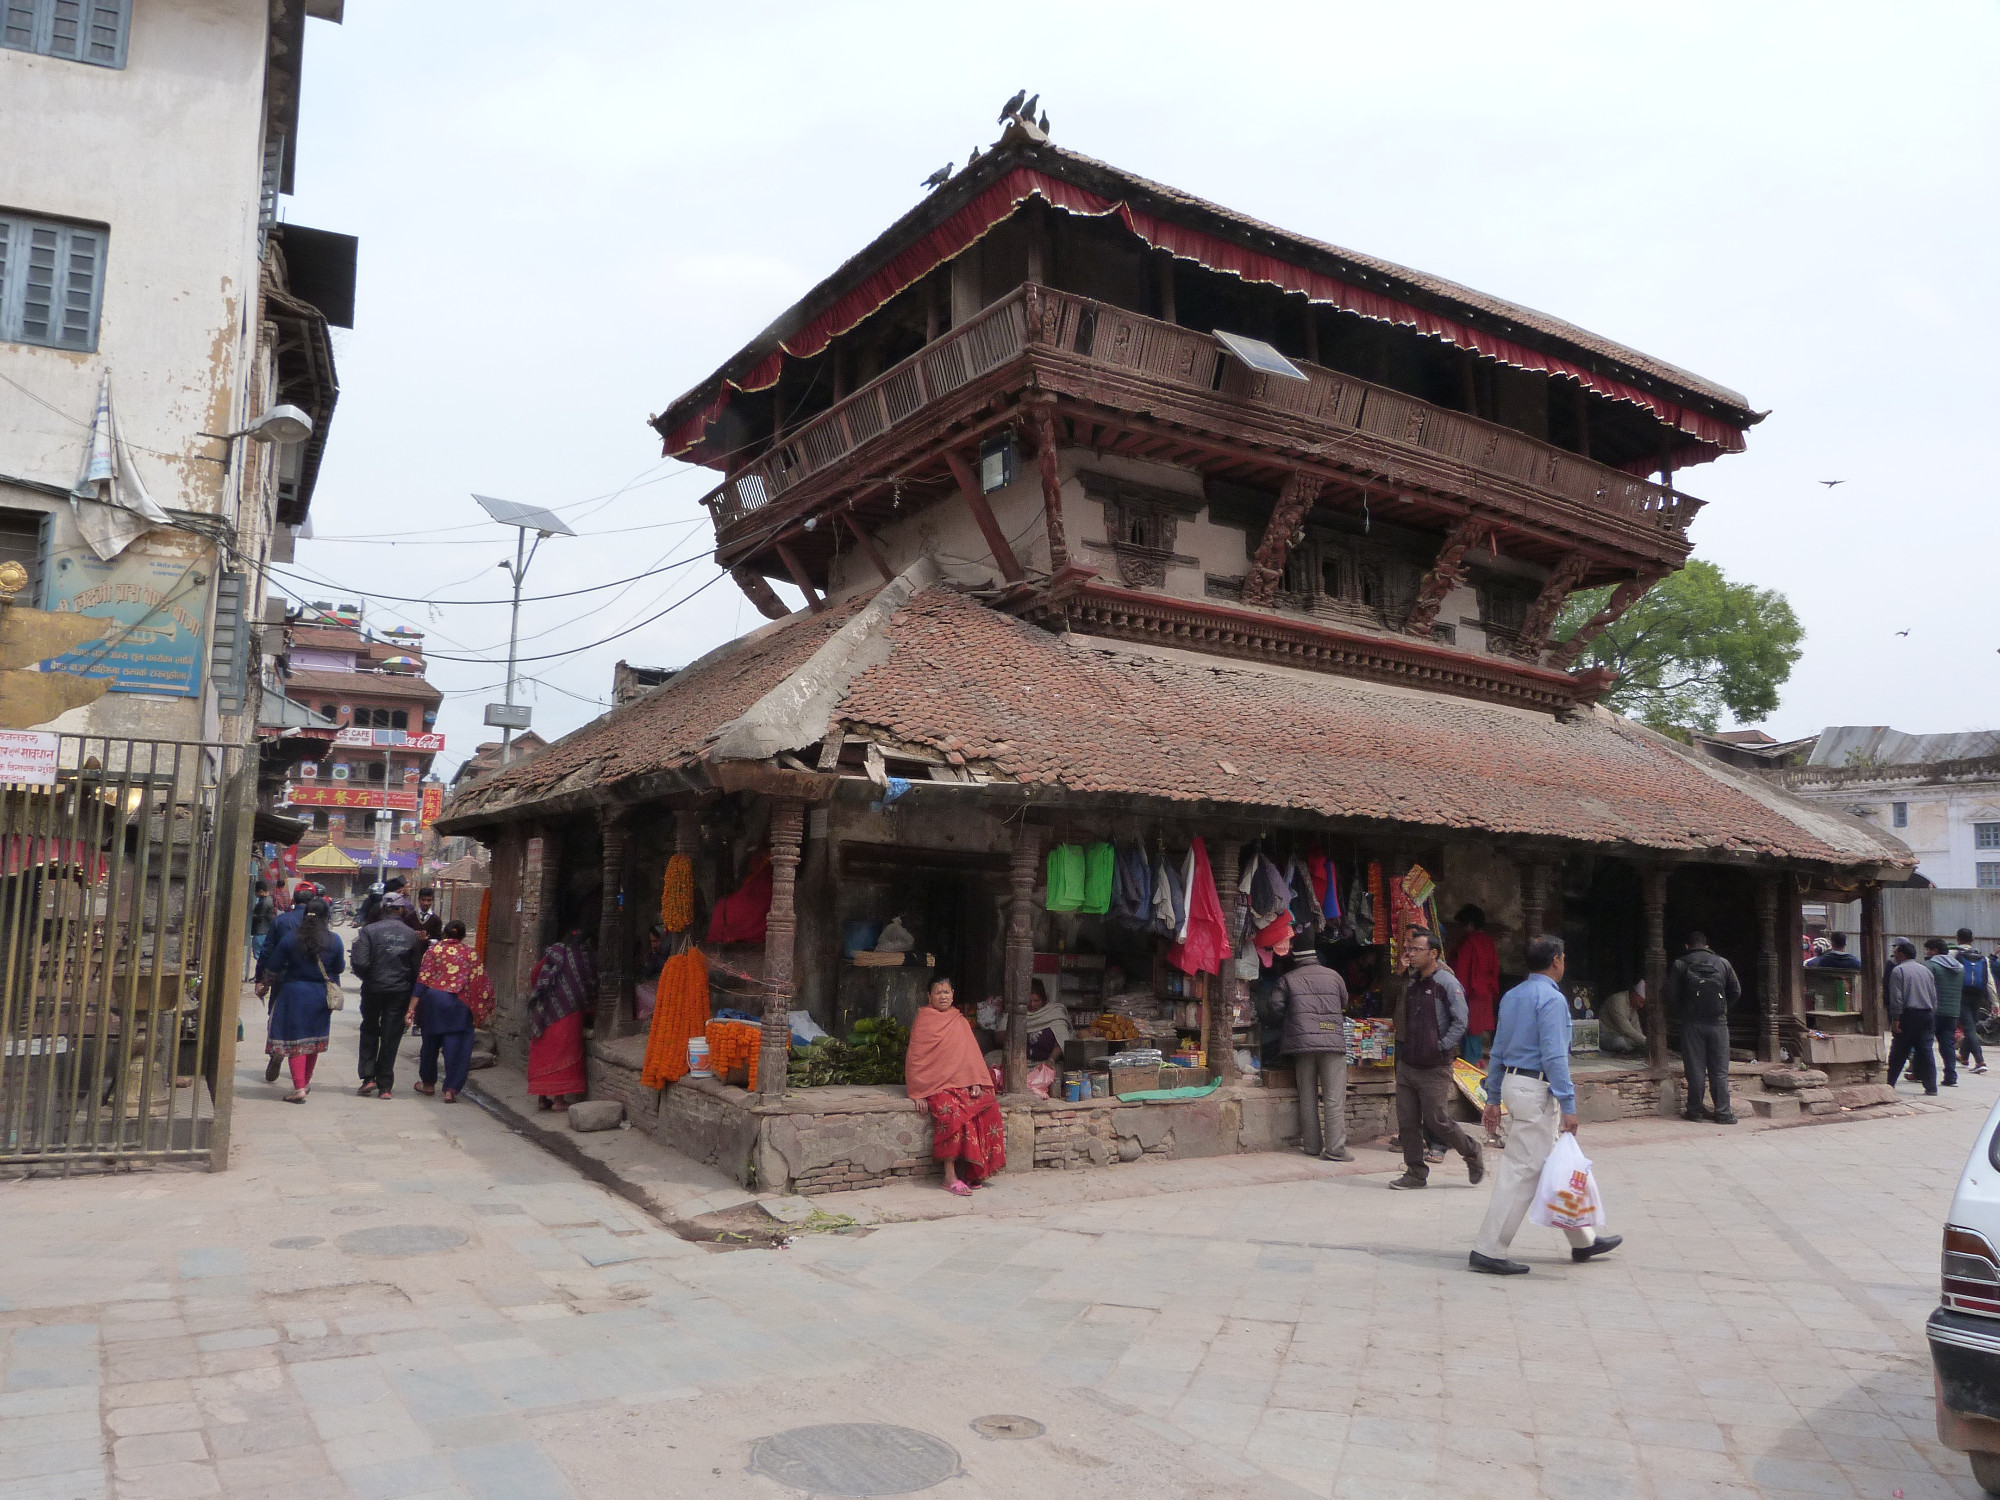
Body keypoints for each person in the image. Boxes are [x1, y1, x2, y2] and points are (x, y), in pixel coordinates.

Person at [1470, 934, 1622, 1275]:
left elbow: (1496, 1048)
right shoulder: (1552, 1001)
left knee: (1546, 1164)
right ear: (1556, 961)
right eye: (1563, 958)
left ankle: (1583, 1240)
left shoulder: (1512, 996)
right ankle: (1489, 1247)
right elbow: (1555, 1057)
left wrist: (1493, 1096)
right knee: (1522, 1171)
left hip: (1513, 1082)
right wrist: (1569, 1104)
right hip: (1536, 1089)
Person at [1388, 929, 1484, 1190]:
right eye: (1409, 949)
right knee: (1407, 1122)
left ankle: (1471, 1150)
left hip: (1435, 1067)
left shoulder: (1447, 983)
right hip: (1408, 1063)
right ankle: (1415, 1173)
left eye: (1417, 949)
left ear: (1433, 953)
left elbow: (1461, 1021)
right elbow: (1392, 1002)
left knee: (1437, 1120)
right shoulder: (1411, 982)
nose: (1411, 953)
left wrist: (1440, 1046)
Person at [905, 975, 1005, 1195]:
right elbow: (916, 1060)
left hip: (961, 1083)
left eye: (947, 992)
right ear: (929, 996)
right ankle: (949, 1177)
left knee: (988, 1104)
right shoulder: (923, 1020)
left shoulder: (958, 1020)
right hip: (935, 1086)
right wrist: (917, 1093)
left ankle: (974, 1171)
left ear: (953, 995)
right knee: (950, 1112)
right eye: (938, 992)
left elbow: (968, 1055)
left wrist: (974, 1081)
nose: (943, 996)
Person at [1274, 934, 1354, 1162]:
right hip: (1332, 1042)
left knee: (1307, 1095)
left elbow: (1275, 1008)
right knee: (1333, 1097)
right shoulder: (1334, 976)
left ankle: (1311, 1145)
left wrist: (1292, 1021)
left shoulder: (1287, 979)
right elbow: (1344, 1002)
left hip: (1302, 1044)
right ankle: (1335, 1148)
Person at [256, 899, 344, 1103]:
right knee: (313, 1040)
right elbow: (338, 968)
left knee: (296, 1040)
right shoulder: (335, 940)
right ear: (326, 916)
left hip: (293, 994)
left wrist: (264, 983)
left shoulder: (291, 938)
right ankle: (305, 1082)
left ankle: (299, 1088)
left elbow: (274, 965)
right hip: (320, 995)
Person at [350, 893, 429, 1099]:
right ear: (401, 911)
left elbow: (359, 962)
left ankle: (368, 1078)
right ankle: (385, 1086)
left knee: (369, 1028)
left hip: (373, 989)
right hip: (399, 992)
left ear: (383, 909)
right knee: (390, 1035)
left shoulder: (368, 931)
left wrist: (369, 977)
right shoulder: (411, 934)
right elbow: (416, 969)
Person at [409, 920, 493, 1103]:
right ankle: (450, 1090)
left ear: (445, 934)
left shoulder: (434, 950)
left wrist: (411, 1009)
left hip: (433, 1002)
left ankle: (428, 1084)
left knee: (429, 1045)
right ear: (462, 936)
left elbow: (422, 980)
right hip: (459, 1005)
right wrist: (483, 1008)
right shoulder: (470, 953)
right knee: (458, 1048)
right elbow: (481, 982)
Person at [1663, 931, 1741, 1124]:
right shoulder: (1722, 963)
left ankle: (1695, 1111)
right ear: (1707, 946)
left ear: (1687, 946)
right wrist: (1722, 1009)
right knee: (1719, 1070)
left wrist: (1684, 1012)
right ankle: (1723, 1113)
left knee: (1695, 1069)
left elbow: (1671, 996)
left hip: (1692, 1023)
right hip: (1718, 1023)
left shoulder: (1680, 964)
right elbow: (1736, 991)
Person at [526, 928, 596, 1109]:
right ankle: (559, 1100)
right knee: (564, 1052)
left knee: (544, 1050)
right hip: (569, 1011)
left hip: (545, 1011)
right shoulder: (583, 957)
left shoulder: (554, 953)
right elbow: (590, 983)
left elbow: (535, 974)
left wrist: (546, 992)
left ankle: (542, 1098)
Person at [258, 881, 319, 1082]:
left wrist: (261, 979)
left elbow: (267, 951)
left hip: (282, 978)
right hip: (311, 982)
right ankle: (300, 1063)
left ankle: (276, 1051)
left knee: (276, 1016)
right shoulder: (319, 923)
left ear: (293, 900)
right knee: (305, 1022)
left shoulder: (281, 921)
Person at [1886, 939, 1940, 1094]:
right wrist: (1931, 1013)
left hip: (1908, 1015)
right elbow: (1933, 996)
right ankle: (1931, 1087)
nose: (1894, 956)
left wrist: (1896, 1018)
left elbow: (1896, 998)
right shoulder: (1925, 970)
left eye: (1895, 953)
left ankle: (1889, 1084)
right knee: (1925, 1051)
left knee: (1898, 1051)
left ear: (1902, 954)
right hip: (1926, 1014)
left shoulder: (1898, 971)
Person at [1449, 905, 1501, 1066]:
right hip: (1485, 992)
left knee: (1468, 1028)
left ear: (1469, 924)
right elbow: (1495, 968)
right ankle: (1476, 1060)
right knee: (1475, 1031)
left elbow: (1460, 970)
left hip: (1469, 993)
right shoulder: (1489, 941)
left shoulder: (1468, 942)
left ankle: (1470, 1066)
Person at [1926, 937, 1966, 1088]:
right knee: (1947, 1045)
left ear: (1934, 951)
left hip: (1933, 1011)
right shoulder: (1960, 967)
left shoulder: (1931, 965)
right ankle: (1951, 1076)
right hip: (1952, 1012)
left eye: (1928, 950)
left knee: (1926, 1043)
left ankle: (1922, 1074)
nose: (1927, 953)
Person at [1956, 928, 1994, 1075]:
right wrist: (1995, 1002)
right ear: (1972, 939)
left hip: (1962, 995)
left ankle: (1980, 1061)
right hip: (1978, 996)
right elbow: (1989, 981)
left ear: (1958, 939)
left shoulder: (1955, 954)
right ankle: (1964, 1056)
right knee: (1971, 1025)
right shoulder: (1981, 957)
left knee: (1968, 1028)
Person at [1597, 981, 1647, 1057]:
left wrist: (1645, 1041)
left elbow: (1637, 1029)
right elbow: (1627, 1029)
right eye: (1641, 1002)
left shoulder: (1633, 1007)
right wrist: (1646, 1041)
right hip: (1605, 1036)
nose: (1641, 1006)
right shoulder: (1618, 1000)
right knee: (1620, 1042)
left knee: (1635, 1042)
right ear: (1634, 995)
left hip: (1623, 1036)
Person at [248, 882, 275, 965]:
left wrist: (251, 916)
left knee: (259, 955)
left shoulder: (263, 902)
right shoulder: (269, 900)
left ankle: (261, 974)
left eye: (256, 892)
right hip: (265, 931)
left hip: (260, 931)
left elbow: (259, 917)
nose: (255, 894)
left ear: (261, 891)